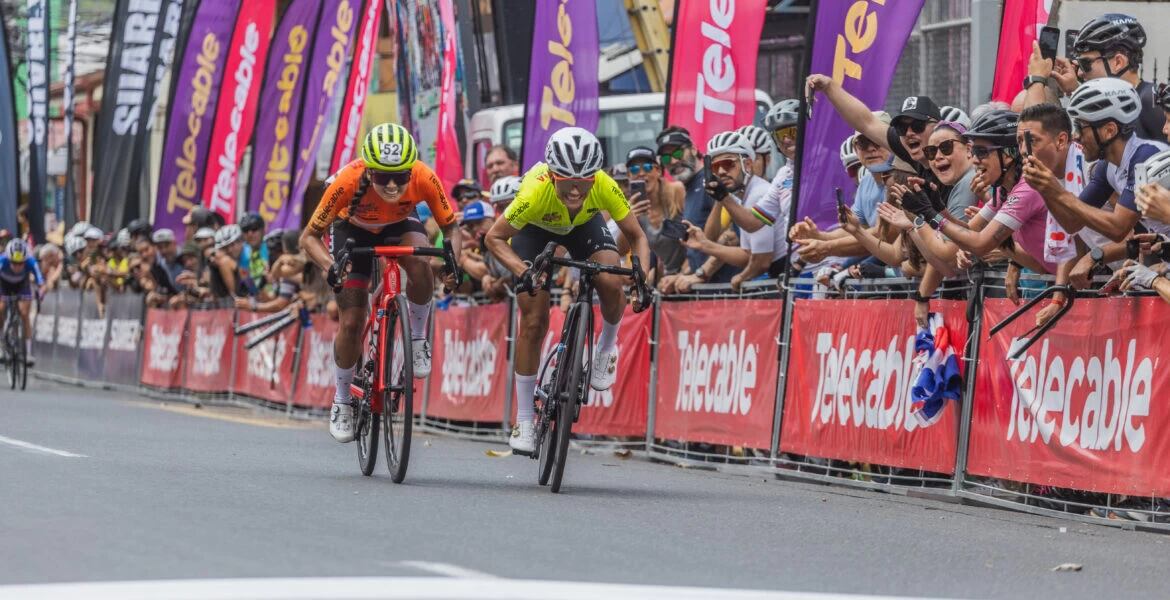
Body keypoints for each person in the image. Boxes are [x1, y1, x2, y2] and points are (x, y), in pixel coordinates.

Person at [484, 127, 650, 455]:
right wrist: (523, 270)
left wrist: (641, 275)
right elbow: (493, 238)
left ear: (595, 177)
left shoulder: (605, 184)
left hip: (582, 227)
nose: (576, 189)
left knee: (609, 278)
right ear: (552, 175)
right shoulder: (534, 191)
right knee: (533, 322)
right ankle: (526, 419)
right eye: (567, 181)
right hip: (535, 230)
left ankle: (606, 346)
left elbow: (638, 236)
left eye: (584, 182)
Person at [301, 122, 460, 444]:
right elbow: (309, 237)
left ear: (410, 169)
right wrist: (330, 267)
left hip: (399, 223)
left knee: (420, 262)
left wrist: (452, 263)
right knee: (351, 319)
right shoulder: (346, 180)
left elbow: (452, 228)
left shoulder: (424, 176)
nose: (391, 185)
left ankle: (417, 338)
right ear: (368, 170)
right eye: (382, 176)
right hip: (352, 228)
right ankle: (342, 400)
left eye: (400, 176)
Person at [1022, 78, 1169, 289]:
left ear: (1109, 130)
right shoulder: (1107, 166)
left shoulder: (1145, 157)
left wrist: (1058, 192)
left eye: (1082, 127)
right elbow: (1072, 223)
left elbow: (1118, 228)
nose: (1076, 136)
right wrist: (1045, 188)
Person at [903, 110, 1056, 276]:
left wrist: (930, 214)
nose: (975, 160)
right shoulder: (1002, 191)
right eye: (974, 151)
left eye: (982, 152)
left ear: (1007, 155)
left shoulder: (1027, 188)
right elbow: (969, 230)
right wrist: (939, 208)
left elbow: (979, 243)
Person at [1043, 14, 1166, 142]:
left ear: (1118, 62)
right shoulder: (1119, 102)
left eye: (1085, 64)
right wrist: (1074, 90)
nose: (1079, 73)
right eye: (1078, 65)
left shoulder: (1151, 101)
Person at [685, 131, 784, 288]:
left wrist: (741, 277)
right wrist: (705, 244)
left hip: (787, 273)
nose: (722, 172)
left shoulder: (758, 194)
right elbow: (747, 255)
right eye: (716, 167)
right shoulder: (741, 196)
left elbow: (762, 261)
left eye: (728, 164)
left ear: (748, 165)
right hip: (779, 274)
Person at [653, 126, 737, 289]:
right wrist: (680, 277)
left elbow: (731, 236)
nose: (673, 161)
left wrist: (701, 274)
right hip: (705, 293)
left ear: (693, 148)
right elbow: (697, 249)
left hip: (724, 289)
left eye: (678, 153)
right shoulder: (690, 187)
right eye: (665, 158)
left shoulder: (710, 182)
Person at [625, 146, 686, 280]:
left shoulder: (677, 191)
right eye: (634, 169)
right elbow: (622, 250)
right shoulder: (631, 209)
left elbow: (697, 233)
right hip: (667, 280)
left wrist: (684, 274)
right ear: (629, 176)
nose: (641, 173)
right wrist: (630, 220)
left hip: (689, 274)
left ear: (658, 170)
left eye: (647, 167)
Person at [0, 240, 44, 364]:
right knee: (1, 309)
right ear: (9, 259)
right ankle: (1, 345)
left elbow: (40, 279)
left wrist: (41, 290)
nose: (18, 266)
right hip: (4, 285)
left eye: (21, 263)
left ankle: (28, 353)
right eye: (14, 263)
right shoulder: (2, 260)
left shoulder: (31, 262)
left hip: (21, 285)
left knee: (25, 315)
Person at [237, 212, 269, 297]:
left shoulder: (271, 247)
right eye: (246, 230)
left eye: (254, 229)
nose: (250, 234)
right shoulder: (241, 250)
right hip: (250, 296)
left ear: (262, 230)